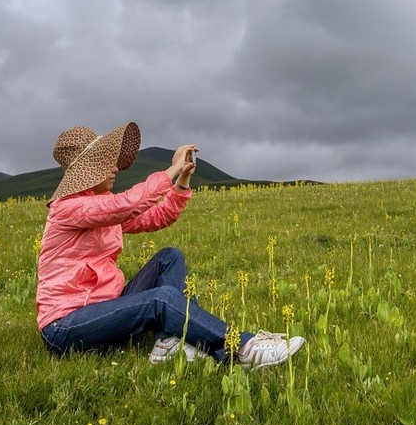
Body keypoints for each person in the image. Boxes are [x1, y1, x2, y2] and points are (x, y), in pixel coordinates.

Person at [35, 122, 304, 368]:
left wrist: (182, 182)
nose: (115, 167)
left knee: (169, 257)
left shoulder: (100, 210)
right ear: (89, 170)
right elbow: (127, 204)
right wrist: (170, 169)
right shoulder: (68, 208)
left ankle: (167, 342)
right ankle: (243, 348)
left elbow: (156, 217)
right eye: (107, 163)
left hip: (105, 306)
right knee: (160, 299)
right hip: (65, 326)